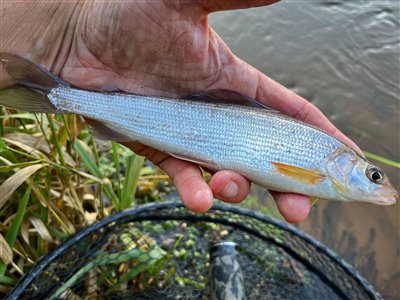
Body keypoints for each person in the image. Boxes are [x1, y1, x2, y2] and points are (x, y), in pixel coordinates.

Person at [0, 0, 361, 223]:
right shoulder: (320, 165)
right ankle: (59, 97)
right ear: (344, 163)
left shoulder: (321, 165)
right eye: (373, 176)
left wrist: (61, 26)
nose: (378, 185)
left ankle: (58, 96)